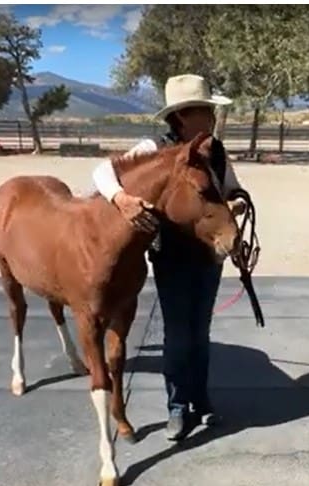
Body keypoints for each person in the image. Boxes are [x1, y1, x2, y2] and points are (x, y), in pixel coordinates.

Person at [91, 74, 249, 442]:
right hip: (173, 257)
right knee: (178, 335)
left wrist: (237, 201)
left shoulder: (216, 150)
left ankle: (202, 401)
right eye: (204, 110)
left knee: (200, 332)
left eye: (211, 110)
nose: (211, 117)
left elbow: (231, 186)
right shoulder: (154, 148)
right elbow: (102, 171)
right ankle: (177, 408)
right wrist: (122, 199)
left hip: (209, 255)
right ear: (181, 117)